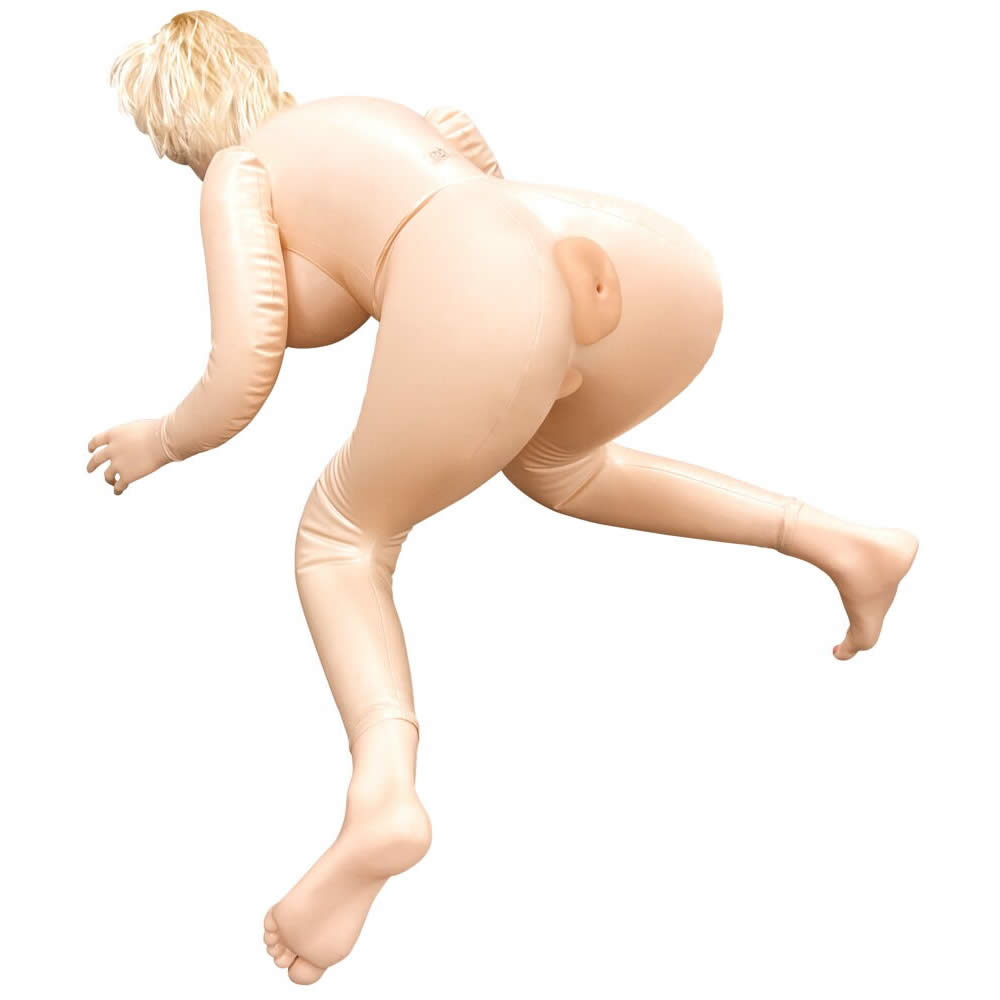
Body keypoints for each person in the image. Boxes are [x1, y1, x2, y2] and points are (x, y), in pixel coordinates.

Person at [89, 11, 918, 986]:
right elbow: (468, 144)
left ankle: (383, 795)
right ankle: (840, 539)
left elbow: (245, 367)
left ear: (180, 129)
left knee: (340, 539)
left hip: (489, 276)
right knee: (560, 466)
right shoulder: (380, 120)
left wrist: (162, 438)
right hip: (639, 261)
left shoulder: (240, 173)